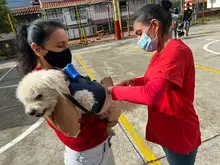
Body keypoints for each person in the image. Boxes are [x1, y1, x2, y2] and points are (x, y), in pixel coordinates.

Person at [107, 1, 201, 165]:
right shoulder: (160, 52)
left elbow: (151, 94)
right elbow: (152, 79)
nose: (138, 39)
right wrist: (132, 81)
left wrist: (112, 91)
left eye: (139, 33)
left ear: (155, 25)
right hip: (167, 128)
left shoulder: (175, 52)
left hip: (179, 131)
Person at [17, 19, 116, 165]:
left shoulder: (57, 70)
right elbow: (70, 128)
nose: (66, 51)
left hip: (100, 144)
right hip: (87, 153)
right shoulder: (40, 86)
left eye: (66, 45)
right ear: (37, 49)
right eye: (60, 46)